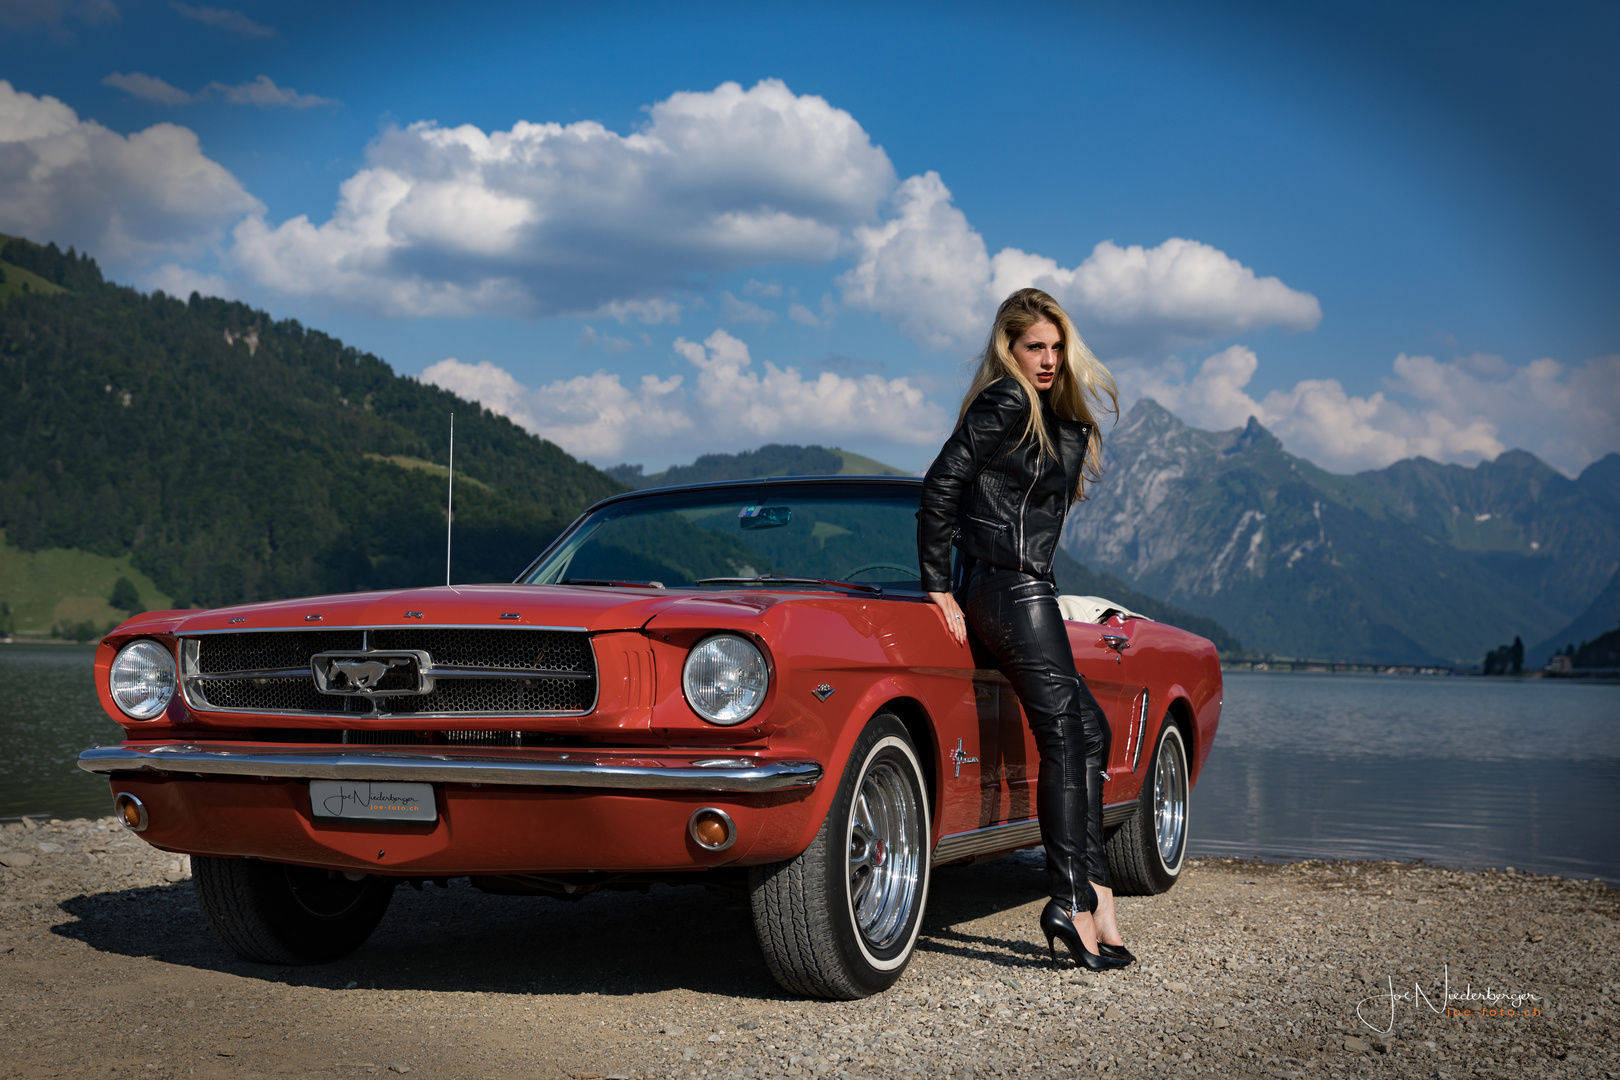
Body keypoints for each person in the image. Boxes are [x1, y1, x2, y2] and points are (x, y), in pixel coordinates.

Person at [917, 287, 1130, 971]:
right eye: (1033, 345)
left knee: (1087, 729)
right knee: (1066, 733)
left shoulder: (1048, 413)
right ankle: (1069, 896)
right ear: (1008, 348)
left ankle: (1096, 892)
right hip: (1006, 584)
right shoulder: (1006, 402)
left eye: (1055, 345)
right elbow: (940, 484)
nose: (1046, 358)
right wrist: (937, 586)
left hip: (1028, 586)